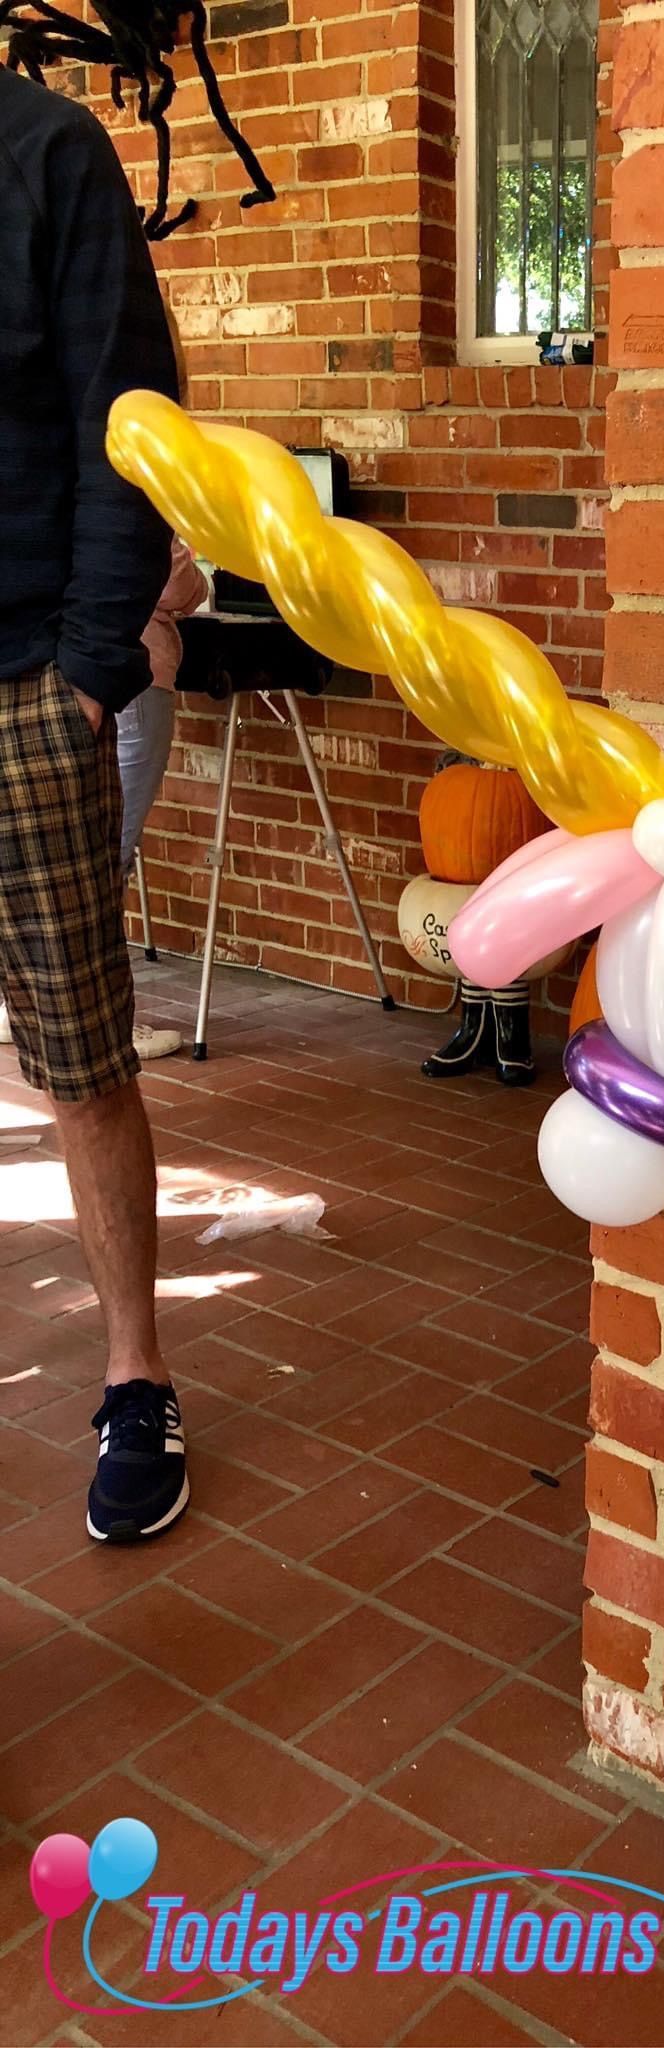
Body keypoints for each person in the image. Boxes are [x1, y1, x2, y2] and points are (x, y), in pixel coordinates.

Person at [0, 67, 191, 1542]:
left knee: (81, 1058)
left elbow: (127, 426)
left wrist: (86, 675)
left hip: (22, 695)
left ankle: (137, 1373)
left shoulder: (48, 153)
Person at [113, 303, 209, 1063]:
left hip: (57, 667)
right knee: (109, 854)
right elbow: (176, 583)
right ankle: (110, 1020)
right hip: (136, 673)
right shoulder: (146, 459)